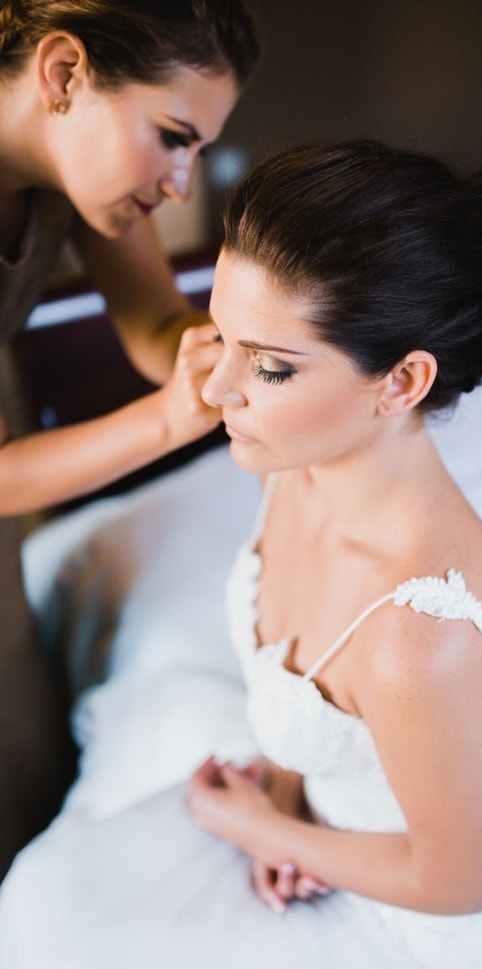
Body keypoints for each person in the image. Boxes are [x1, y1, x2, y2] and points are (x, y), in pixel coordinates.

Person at [0, 140, 482, 969]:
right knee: (45, 905)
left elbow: (467, 882)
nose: (216, 388)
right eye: (221, 333)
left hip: (421, 921)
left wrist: (261, 825)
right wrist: (286, 793)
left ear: (400, 382)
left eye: (267, 367)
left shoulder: (422, 631)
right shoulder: (294, 463)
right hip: (307, 821)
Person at [0, 0, 259, 878]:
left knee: (25, 770)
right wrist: (171, 418)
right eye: (172, 135)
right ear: (64, 74)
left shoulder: (74, 179)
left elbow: (154, 321)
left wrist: (230, 352)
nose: (183, 183)